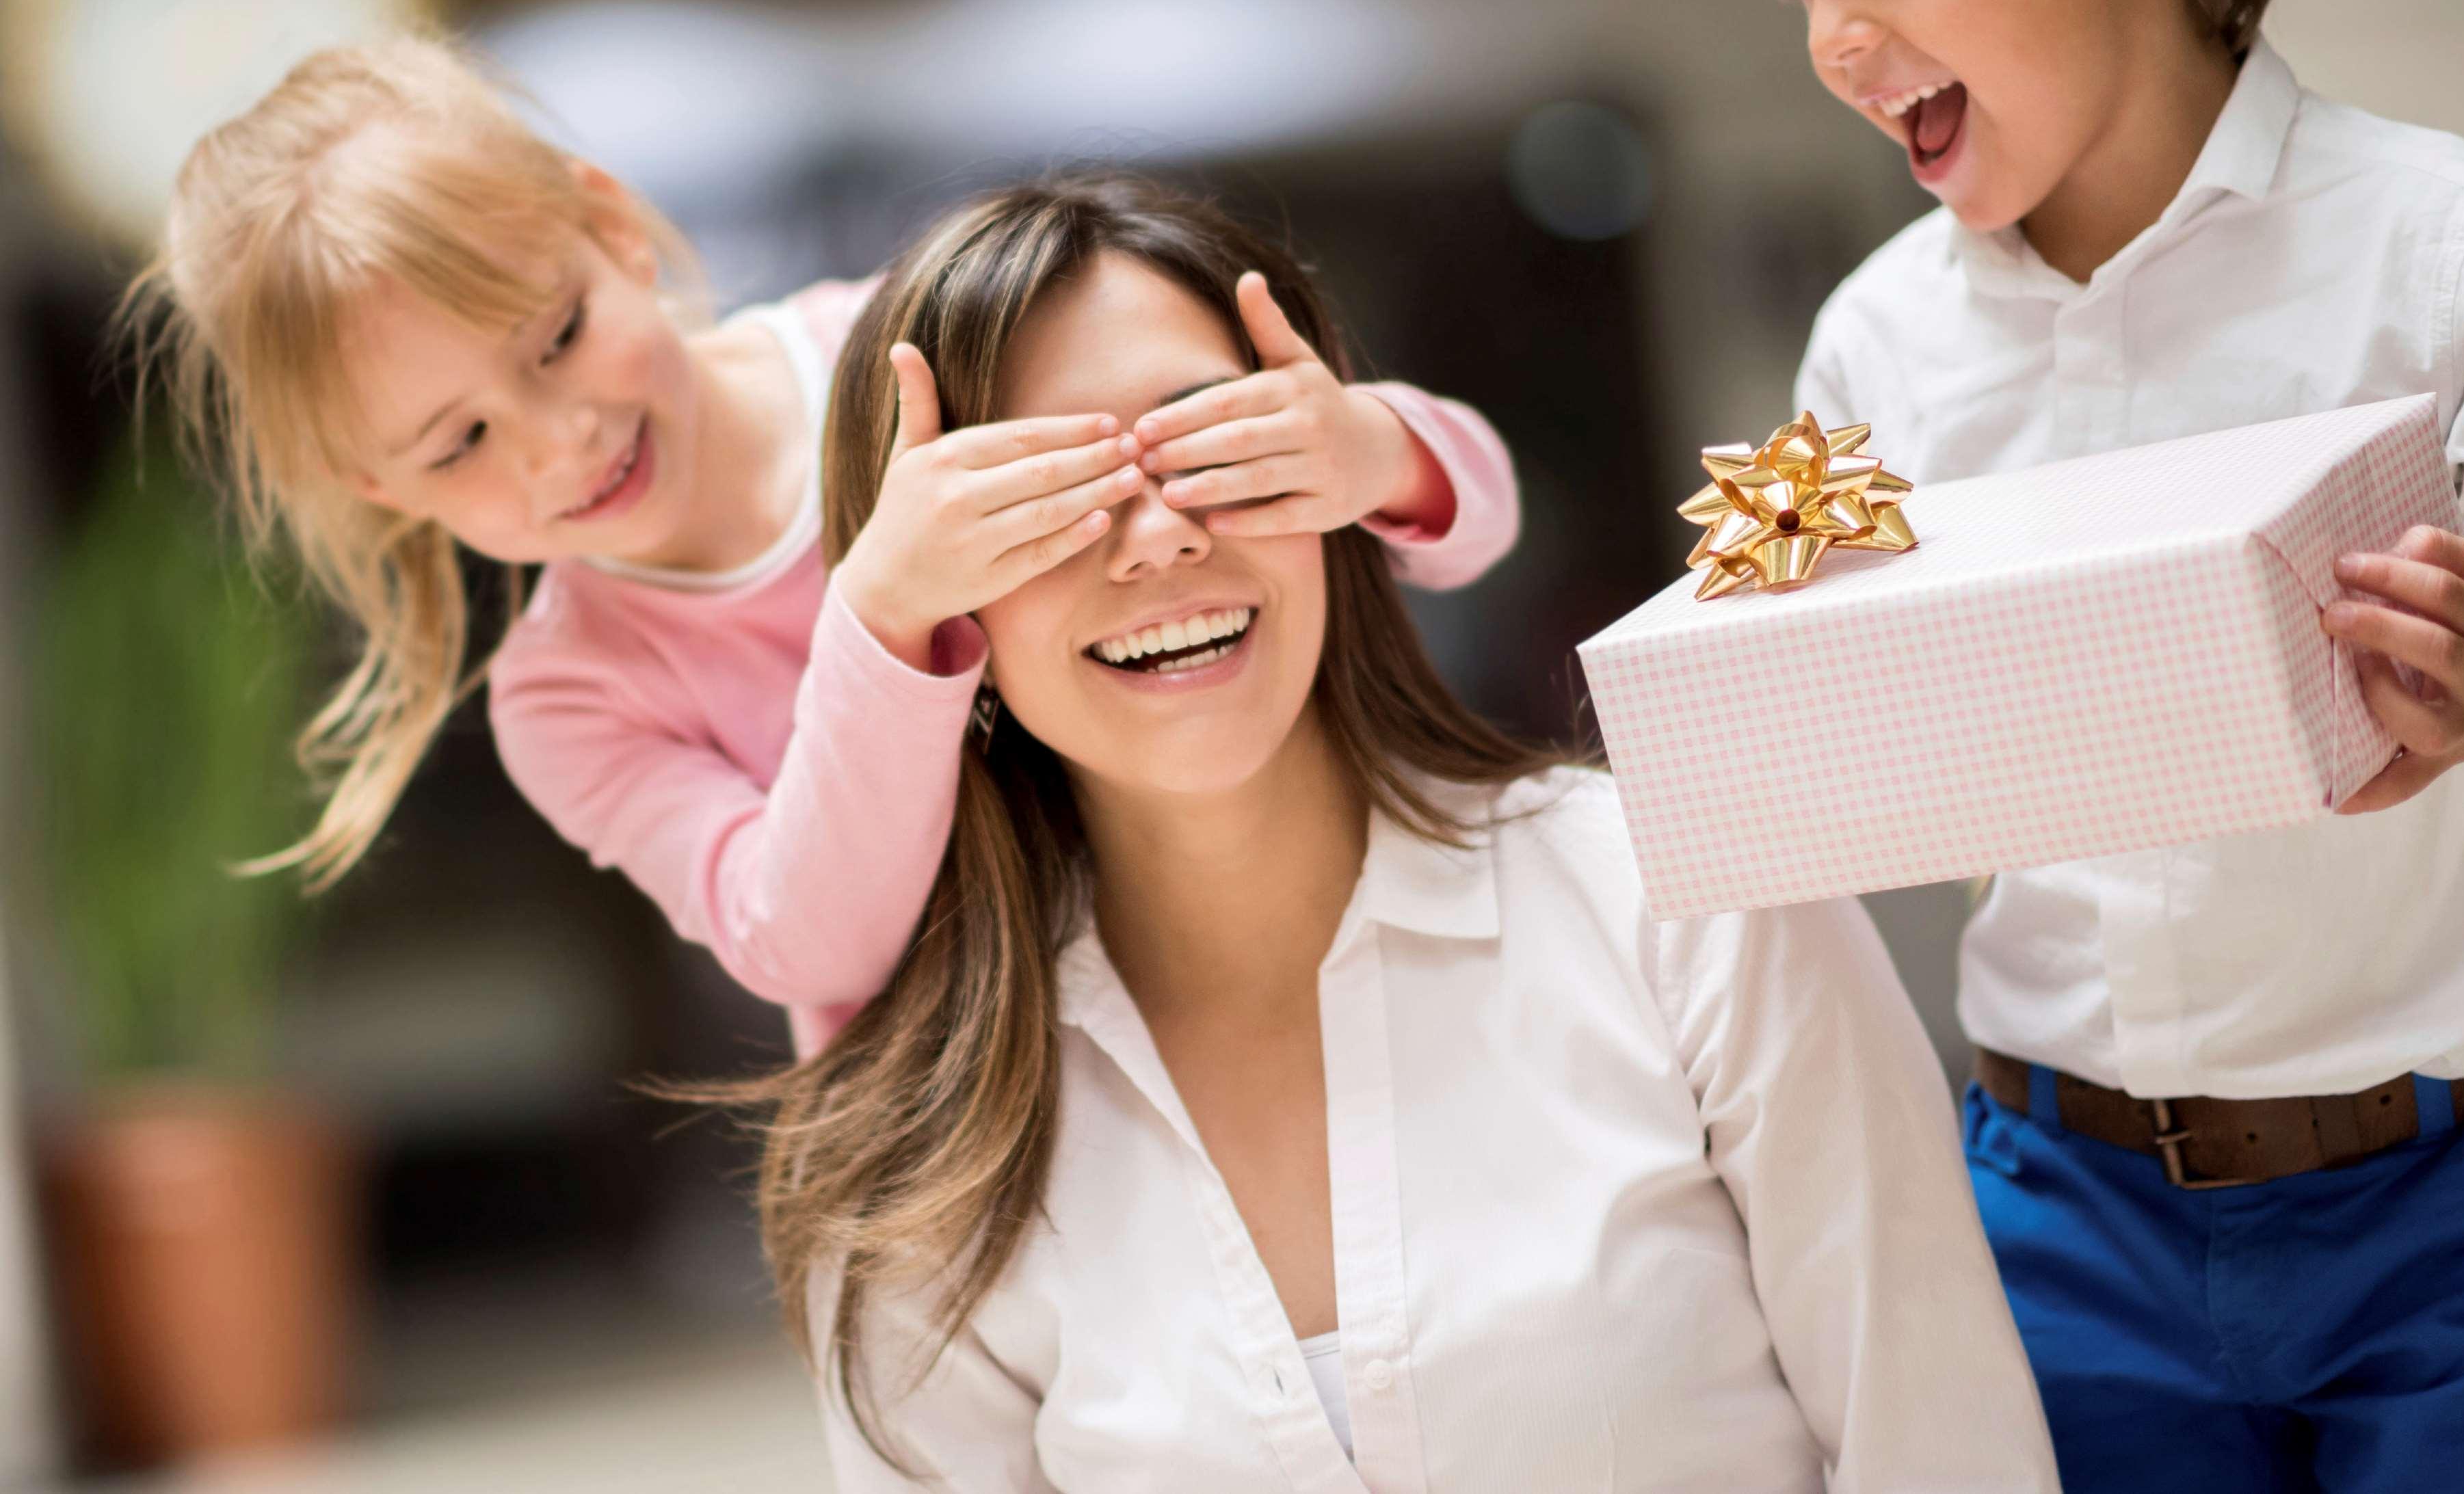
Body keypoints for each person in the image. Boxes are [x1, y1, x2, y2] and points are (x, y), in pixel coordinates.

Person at [1718, 0, 2464, 1485]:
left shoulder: (2451, 254)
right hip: (2064, 1200)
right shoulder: (1872, 337)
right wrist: (1761, 621)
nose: (1830, 32)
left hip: (2460, 1187)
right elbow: (1772, 647)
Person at [752, 174, 2056, 1493]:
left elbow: (1943, 1441)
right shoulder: (917, 1159)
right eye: (1035, 497)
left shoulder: (1683, 902)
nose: (1156, 537)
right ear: (936, 613)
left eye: (1215, 446)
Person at [135, 38, 1520, 1053]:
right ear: (373, 484)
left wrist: (1367, 452)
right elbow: (810, 942)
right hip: (1004, 1103)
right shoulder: (570, 697)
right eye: (458, 444)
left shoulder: (909, 346)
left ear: (611, 228)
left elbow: (1462, 533)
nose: (556, 441)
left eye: (555, 339)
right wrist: (883, 617)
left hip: (1275, 967)